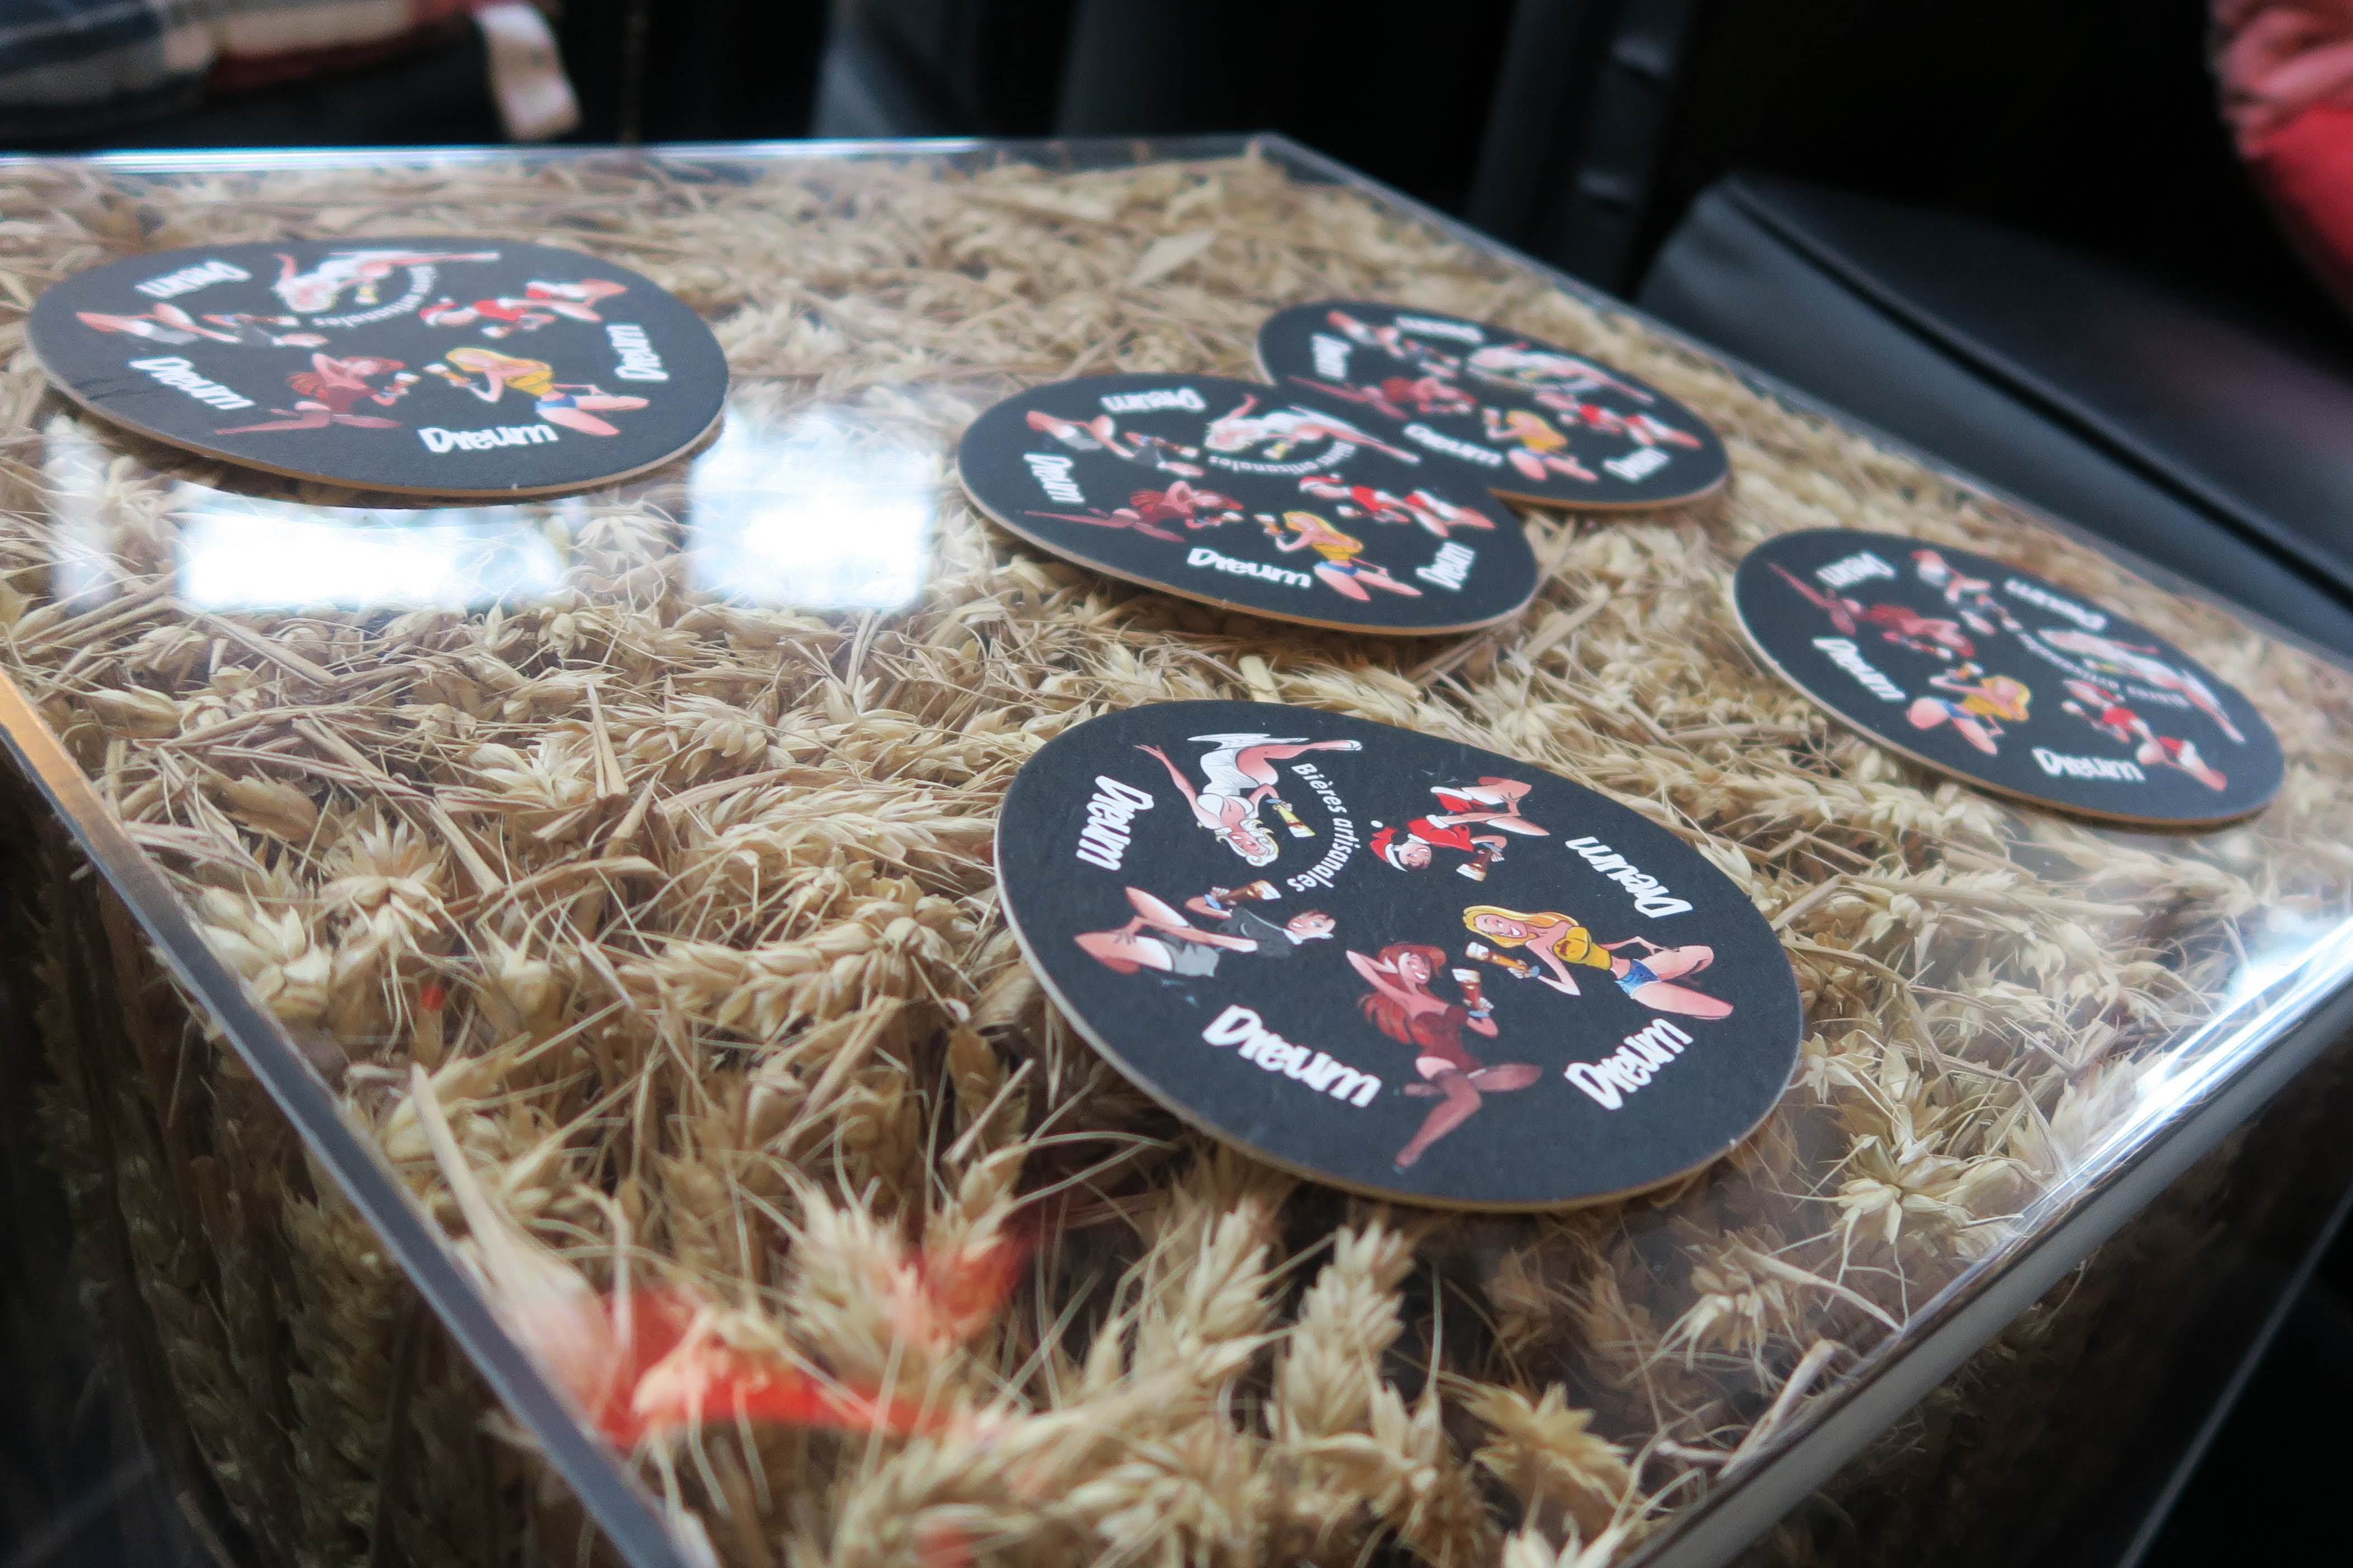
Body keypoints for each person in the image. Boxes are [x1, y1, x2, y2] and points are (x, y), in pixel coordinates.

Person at [1348, 943, 1540, 1170]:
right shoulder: (1403, 997)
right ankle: (1412, 1150)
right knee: (1469, 1101)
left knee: (1527, 1074)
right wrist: (1388, 967)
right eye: (1411, 963)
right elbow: (1355, 957)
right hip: (1437, 1058)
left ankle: (1430, 1091)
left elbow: (1490, 1031)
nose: (1421, 968)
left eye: (1424, 963)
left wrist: (1479, 1006)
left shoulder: (1441, 1002)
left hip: (1464, 1060)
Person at [1462, 905, 1731, 1020]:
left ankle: (1689, 983)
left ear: (1502, 914)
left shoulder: (1553, 920)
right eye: (1492, 931)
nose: (1503, 929)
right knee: (1722, 1011)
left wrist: (1634, 940)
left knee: (1705, 953)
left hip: (1641, 965)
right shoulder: (1536, 946)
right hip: (1635, 985)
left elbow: (1595, 948)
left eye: (1495, 921)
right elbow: (1572, 988)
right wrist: (1537, 976)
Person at [1133, 733, 1361, 866]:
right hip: (1244, 778)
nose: (1244, 844)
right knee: (1253, 758)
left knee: (1250, 755)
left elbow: (1186, 789)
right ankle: (1318, 746)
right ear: (1259, 837)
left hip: (1216, 767)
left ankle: (1308, 745)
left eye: (1244, 849)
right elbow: (1266, 788)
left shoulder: (1211, 821)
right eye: (1253, 845)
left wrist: (1164, 759)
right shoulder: (1251, 813)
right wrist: (1279, 803)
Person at [1074, 887, 1332, 977]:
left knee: (1095, 943)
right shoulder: (1264, 922)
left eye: (1317, 925)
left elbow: (1211, 939)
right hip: (1195, 939)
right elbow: (1194, 906)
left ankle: (1131, 964)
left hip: (1202, 960)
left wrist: (1146, 923)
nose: (1302, 921)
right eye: (1305, 915)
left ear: (1322, 937)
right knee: (1134, 893)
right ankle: (1130, 961)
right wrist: (1220, 898)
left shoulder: (1282, 948)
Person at [428, 346, 649, 436]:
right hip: (550, 408)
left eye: (475, 356)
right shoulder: (494, 374)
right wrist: (472, 388)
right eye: (471, 361)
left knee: (639, 402)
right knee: (610, 432)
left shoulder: (514, 362)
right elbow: (493, 398)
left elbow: (539, 375)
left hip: (567, 397)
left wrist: (583, 387)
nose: (477, 360)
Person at [1370, 778, 1546, 879]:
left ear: (1398, 848)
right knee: (1539, 832)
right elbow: (1499, 839)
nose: (1422, 853)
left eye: (1412, 855)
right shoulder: (1443, 844)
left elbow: (1465, 818)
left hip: (1458, 800)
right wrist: (1493, 850)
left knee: (1519, 789)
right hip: (1480, 816)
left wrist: (1509, 813)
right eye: (1426, 858)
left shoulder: (1418, 829)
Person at [215, 353, 417, 433]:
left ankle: (284, 413)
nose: (368, 370)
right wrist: (340, 365)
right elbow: (319, 356)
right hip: (312, 402)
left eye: (372, 371)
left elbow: (385, 403)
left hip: (336, 412)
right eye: (366, 365)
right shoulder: (332, 375)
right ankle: (239, 430)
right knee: (321, 421)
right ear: (355, 363)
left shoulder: (363, 387)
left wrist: (396, 390)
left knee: (330, 419)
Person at [1263, 511, 1422, 601]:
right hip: (1329, 569)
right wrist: (1277, 535)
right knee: (1363, 598)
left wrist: (1377, 568)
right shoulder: (1309, 536)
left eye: (1309, 521)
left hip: (1351, 568)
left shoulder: (1327, 533)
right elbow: (1286, 548)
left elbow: (1348, 549)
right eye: (1302, 523)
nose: (1308, 524)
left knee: (1397, 586)